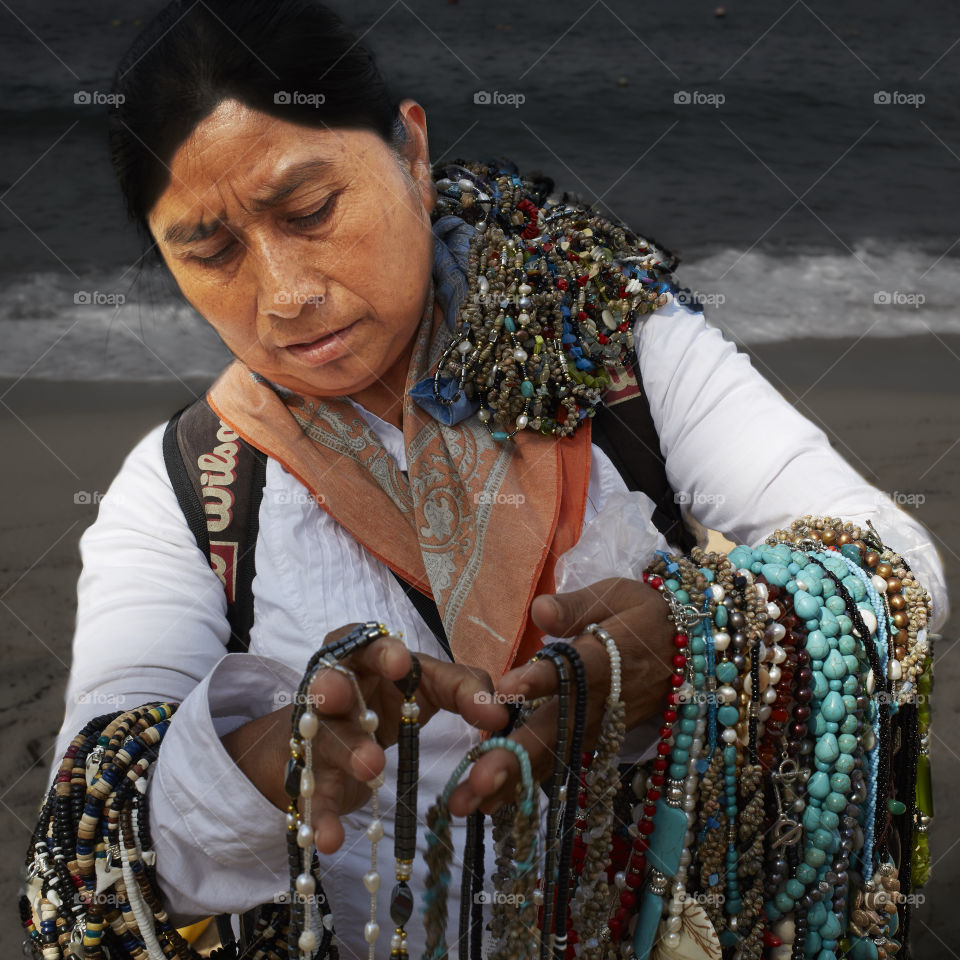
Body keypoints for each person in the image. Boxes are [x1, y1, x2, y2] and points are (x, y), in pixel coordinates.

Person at [41, 1, 948, 957]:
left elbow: (895, 561)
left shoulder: (617, 347)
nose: (285, 293)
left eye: (310, 211)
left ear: (411, 151)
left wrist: (692, 645)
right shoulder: (188, 489)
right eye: (210, 250)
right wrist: (253, 770)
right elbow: (90, 833)